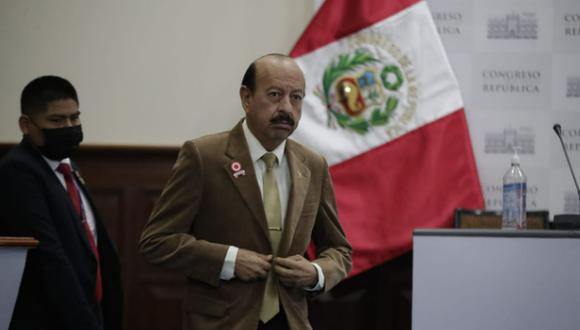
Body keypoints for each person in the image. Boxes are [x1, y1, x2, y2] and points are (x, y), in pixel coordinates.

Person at [138, 54, 352, 330]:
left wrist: (316, 273)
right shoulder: (205, 157)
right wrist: (229, 260)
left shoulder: (313, 165)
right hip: (223, 322)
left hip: (290, 320)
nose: (286, 107)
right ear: (246, 98)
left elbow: (339, 249)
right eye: (275, 95)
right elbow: (156, 241)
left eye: (296, 97)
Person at [0, 76, 123, 330]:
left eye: (74, 118)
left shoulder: (68, 167)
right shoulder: (18, 171)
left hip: (90, 310)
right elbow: (49, 256)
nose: (69, 126)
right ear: (26, 124)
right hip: (52, 319)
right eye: (57, 120)